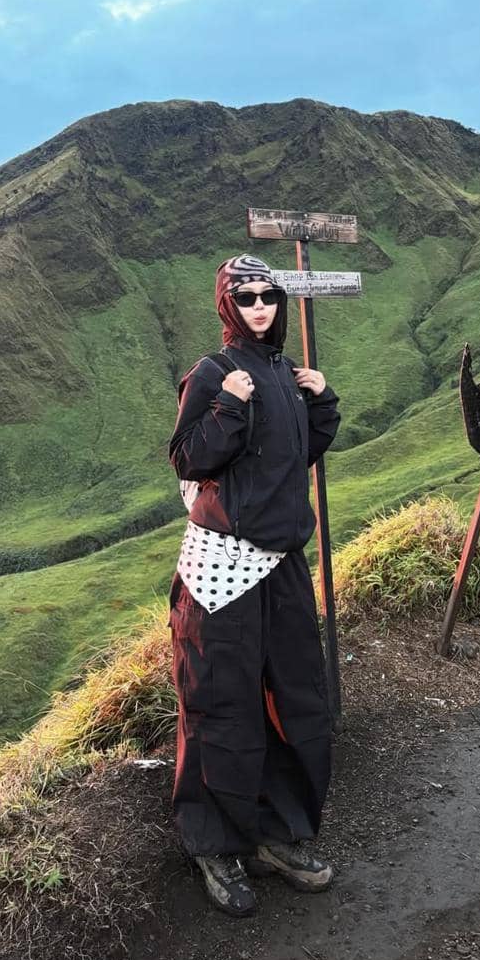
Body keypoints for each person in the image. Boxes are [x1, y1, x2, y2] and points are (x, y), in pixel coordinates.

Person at [167, 253, 341, 917]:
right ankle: (214, 843)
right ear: (227, 306)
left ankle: (280, 831)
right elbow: (189, 458)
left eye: (269, 295)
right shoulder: (213, 374)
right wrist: (230, 409)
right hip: (223, 565)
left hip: (283, 562)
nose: (261, 306)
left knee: (294, 698)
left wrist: (320, 403)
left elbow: (297, 457)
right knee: (219, 702)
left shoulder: (283, 371)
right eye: (246, 298)